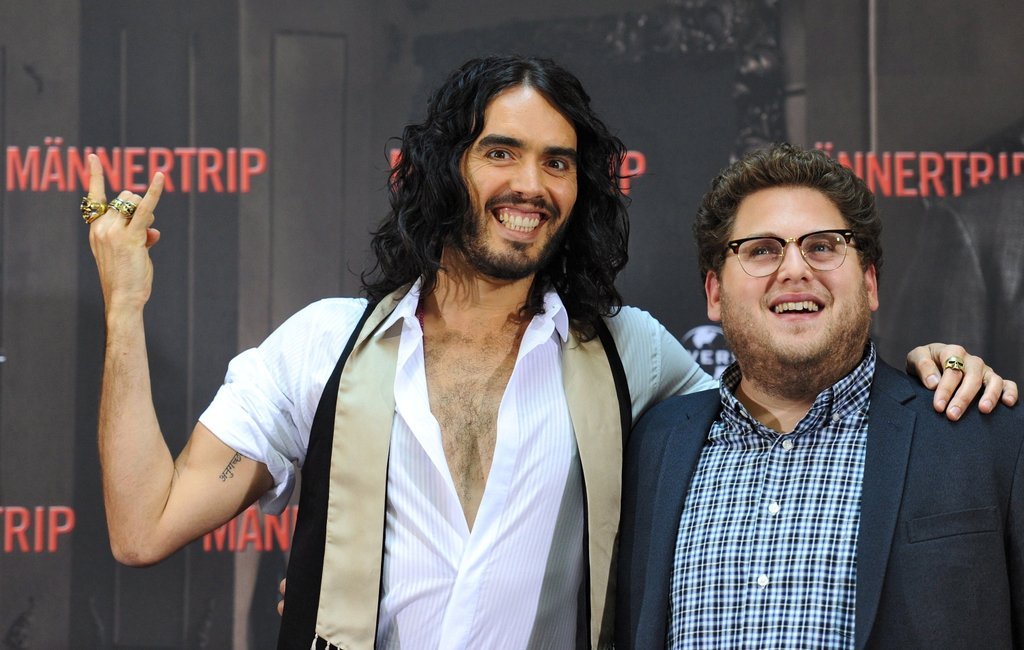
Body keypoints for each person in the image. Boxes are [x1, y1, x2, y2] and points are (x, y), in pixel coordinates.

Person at [85, 56, 1014, 650]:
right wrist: (124, 310)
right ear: (443, 167)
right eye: (501, 152)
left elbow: (779, 375)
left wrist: (922, 368)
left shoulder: (626, 353)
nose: (530, 184)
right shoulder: (323, 346)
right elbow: (143, 525)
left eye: (558, 161)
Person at [615, 142, 1024, 648]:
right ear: (715, 293)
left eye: (824, 246)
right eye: (762, 250)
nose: (794, 269)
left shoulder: (986, 438)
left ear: (870, 284)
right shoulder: (652, 449)